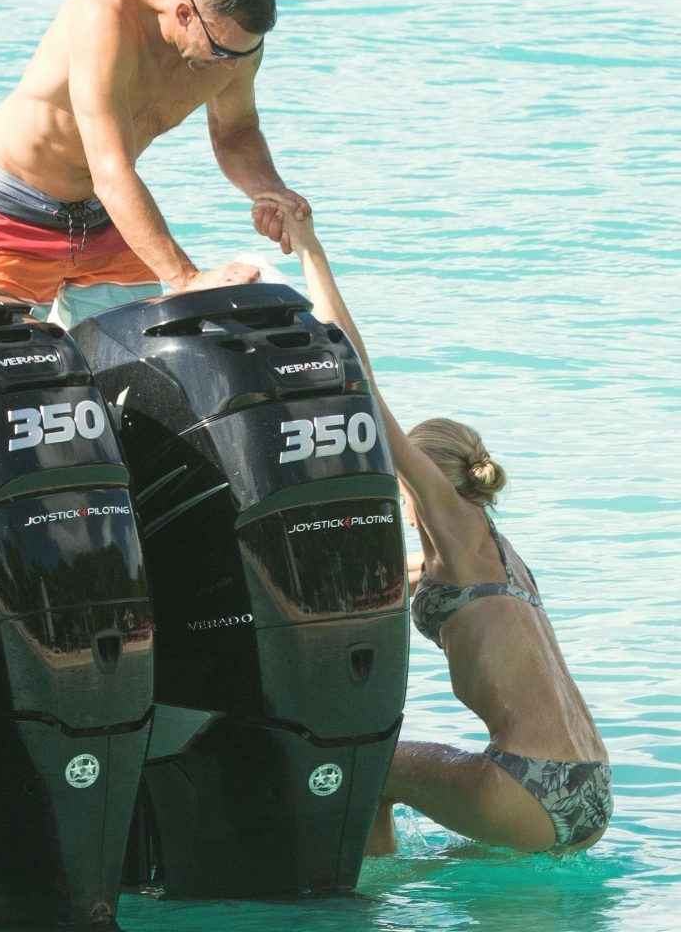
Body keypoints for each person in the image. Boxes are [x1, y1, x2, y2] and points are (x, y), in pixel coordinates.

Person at [253, 192, 613, 854]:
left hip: (531, 784)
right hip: (588, 786)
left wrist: (311, 252)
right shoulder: (491, 554)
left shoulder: (454, 523)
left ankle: (367, 895)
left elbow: (360, 381)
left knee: (369, 767)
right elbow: (409, 582)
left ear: (423, 478)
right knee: (463, 858)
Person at [0, 0, 309, 327]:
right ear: (185, 13)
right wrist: (188, 279)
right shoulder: (106, 14)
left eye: (245, 52)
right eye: (221, 51)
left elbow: (236, 132)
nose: (232, 65)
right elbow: (110, 171)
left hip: (108, 218)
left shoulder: (235, 44)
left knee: (144, 353)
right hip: (14, 211)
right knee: (0, 354)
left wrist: (270, 192)